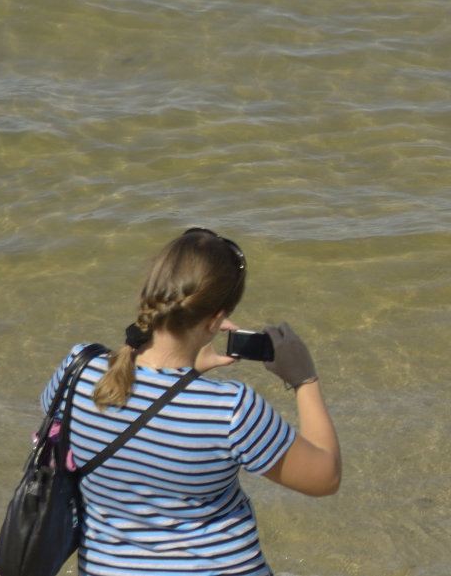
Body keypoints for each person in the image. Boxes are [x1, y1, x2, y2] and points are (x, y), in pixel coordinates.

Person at [41, 227, 341, 575]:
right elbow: (325, 478)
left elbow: (135, 427)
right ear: (216, 320)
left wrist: (188, 372)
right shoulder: (232, 409)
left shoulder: (77, 372)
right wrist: (304, 379)